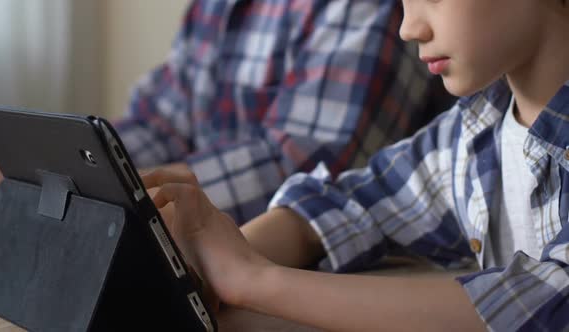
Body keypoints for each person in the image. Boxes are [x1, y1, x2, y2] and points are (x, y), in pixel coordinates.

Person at [141, 0, 569, 330]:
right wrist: (209, 257)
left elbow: (549, 301)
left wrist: (255, 279)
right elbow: (361, 201)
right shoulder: (476, 130)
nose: (408, 26)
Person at [111, 0, 453, 224]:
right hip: (239, 249)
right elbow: (163, 119)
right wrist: (93, 164)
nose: (412, 28)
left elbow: (312, 171)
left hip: (317, 264)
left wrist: (140, 195)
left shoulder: (362, 7)